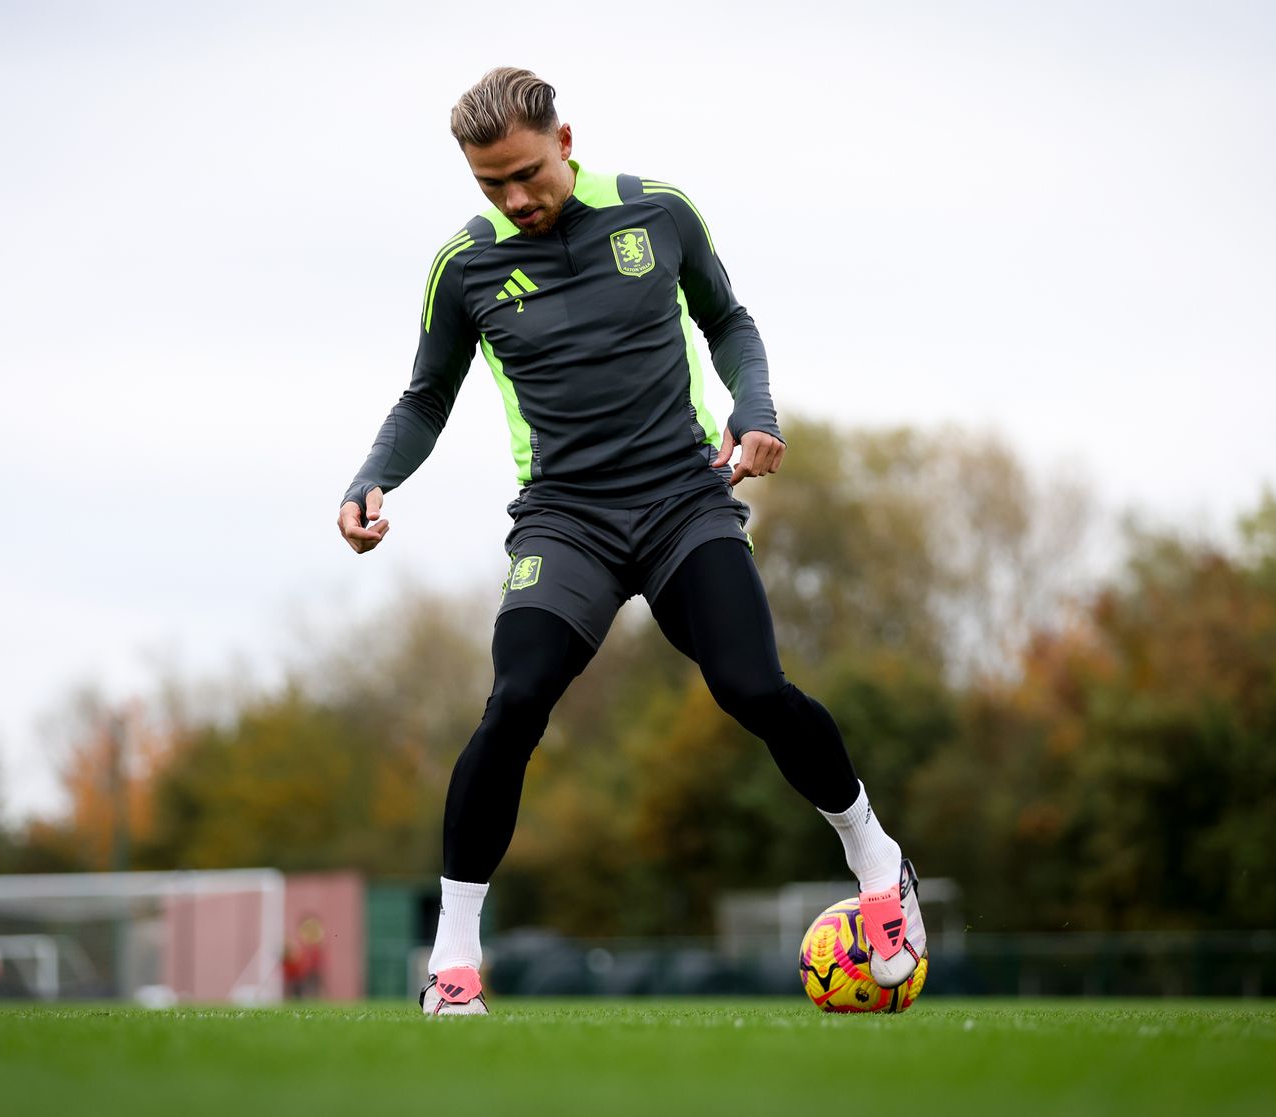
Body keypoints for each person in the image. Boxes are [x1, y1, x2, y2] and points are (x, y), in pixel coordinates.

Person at [338, 67, 927, 1016]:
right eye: (492, 185)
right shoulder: (465, 268)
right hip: (566, 517)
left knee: (751, 686)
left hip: (682, 500)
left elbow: (729, 322)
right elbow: (425, 398)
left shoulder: (658, 215)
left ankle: (876, 858)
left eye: (528, 173)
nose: (516, 199)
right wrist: (370, 480)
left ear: (567, 140)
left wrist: (757, 407)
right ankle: (453, 965)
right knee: (515, 699)